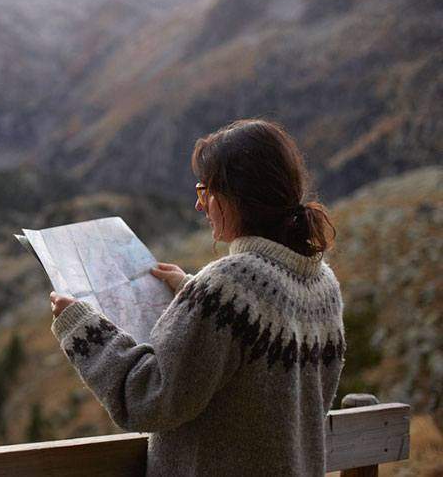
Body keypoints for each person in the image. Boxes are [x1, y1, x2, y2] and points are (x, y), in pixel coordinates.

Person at [49, 119, 345, 476]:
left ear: (235, 198)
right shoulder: (323, 285)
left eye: (205, 192)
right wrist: (193, 291)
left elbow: (148, 399)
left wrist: (84, 329)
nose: (198, 205)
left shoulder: (227, 286)